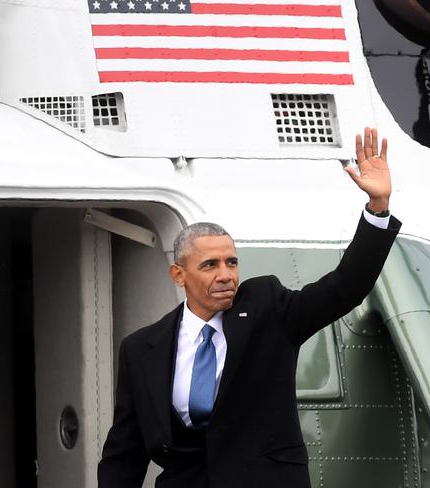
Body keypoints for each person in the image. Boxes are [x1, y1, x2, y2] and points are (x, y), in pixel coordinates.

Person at [98, 127, 401, 488]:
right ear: (178, 275)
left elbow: (343, 289)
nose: (225, 275)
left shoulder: (269, 310)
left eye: (231, 262)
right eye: (210, 265)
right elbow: (124, 454)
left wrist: (377, 208)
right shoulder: (141, 348)